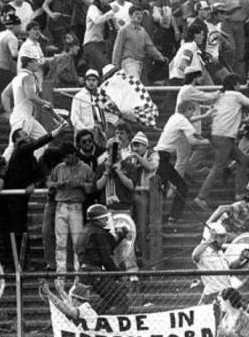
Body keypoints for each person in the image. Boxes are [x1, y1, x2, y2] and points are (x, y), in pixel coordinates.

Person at [195, 74, 249, 207]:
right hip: (224, 137)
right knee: (218, 167)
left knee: (242, 160)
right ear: (235, 84)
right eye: (238, 84)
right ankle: (201, 197)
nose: (239, 87)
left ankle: (239, 193)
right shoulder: (236, 95)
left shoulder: (221, 96)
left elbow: (228, 115)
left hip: (219, 135)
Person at [4, 124, 68, 261]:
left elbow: (38, 176)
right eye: (24, 136)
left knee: (23, 230)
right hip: (11, 199)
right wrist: (54, 133)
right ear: (16, 141)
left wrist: (34, 184)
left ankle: (23, 261)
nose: (28, 137)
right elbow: (35, 144)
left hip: (22, 199)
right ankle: (14, 262)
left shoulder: (32, 159)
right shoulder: (20, 150)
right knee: (16, 230)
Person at [155, 101, 210, 222]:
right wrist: (207, 142)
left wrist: (200, 137)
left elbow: (193, 133)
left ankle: (165, 217)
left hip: (159, 157)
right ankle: (173, 217)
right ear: (187, 110)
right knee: (182, 186)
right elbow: (192, 141)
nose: (192, 114)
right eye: (191, 111)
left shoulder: (174, 117)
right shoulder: (182, 120)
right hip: (162, 158)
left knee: (164, 190)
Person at [48, 142, 94, 274]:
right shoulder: (59, 168)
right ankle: (60, 271)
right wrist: (57, 184)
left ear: (74, 155)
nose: (65, 160)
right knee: (60, 241)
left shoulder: (85, 168)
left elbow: (91, 188)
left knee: (77, 242)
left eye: (67, 157)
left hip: (76, 206)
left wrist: (79, 184)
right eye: (64, 158)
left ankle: (78, 271)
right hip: (60, 205)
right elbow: (49, 183)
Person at [76, 204, 129, 313]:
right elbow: (106, 259)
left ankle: (97, 316)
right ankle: (114, 324)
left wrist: (120, 236)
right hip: (95, 273)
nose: (107, 220)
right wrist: (119, 276)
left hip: (84, 272)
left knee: (110, 297)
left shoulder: (86, 230)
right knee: (121, 297)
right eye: (105, 218)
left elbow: (104, 247)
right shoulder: (99, 233)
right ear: (99, 219)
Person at [2, 55, 51, 161]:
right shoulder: (28, 77)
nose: (38, 63)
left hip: (24, 116)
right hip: (23, 117)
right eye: (35, 61)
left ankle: (34, 163)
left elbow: (4, 94)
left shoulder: (17, 77)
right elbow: (31, 96)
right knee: (14, 146)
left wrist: (9, 112)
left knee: (44, 139)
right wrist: (45, 103)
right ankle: (2, 166)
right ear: (29, 63)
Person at [192, 223, 248, 304]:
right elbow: (194, 255)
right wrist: (209, 240)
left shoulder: (220, 252)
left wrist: (240, 259)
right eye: (221, 237)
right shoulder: (203, 253)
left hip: (227, 294)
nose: (224, 240)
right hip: (212, 295)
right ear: (212, 237)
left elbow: (229, 267)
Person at [127, 131, 159, 266]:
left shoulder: (153, 154)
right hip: (132, 194)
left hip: (146, 194)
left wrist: (137, 157)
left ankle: (145, 257)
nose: (135, 149)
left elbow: (151, 167)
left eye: (138, 145)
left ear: (145, 146)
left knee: (142, 226)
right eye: (133, 146)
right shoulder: (132, 156)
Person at [112, 5, 166, 80]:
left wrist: (160, 57)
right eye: (136, 14)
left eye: (140, 14)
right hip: (128, 62)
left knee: (135, 86)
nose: (139, 16)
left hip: (140, 63)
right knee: (135, 83)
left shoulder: (143, 31)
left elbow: (150, 47)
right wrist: (115, 67)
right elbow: (117, 48)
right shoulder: (124, 30)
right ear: (130, 15)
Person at [222, 0, 249, 77]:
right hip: (228, 23)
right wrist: (237, 6)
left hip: (240, 24)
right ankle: (228, 74)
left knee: (240, 52)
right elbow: (223, 10)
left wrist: (245, 7)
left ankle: (239, 77)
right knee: (231, 48)